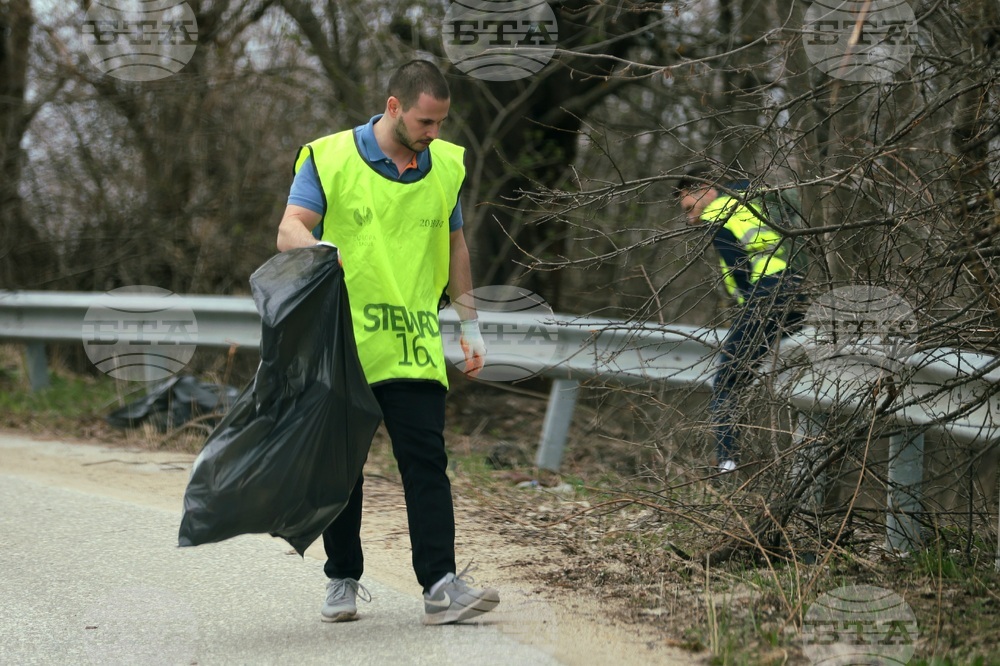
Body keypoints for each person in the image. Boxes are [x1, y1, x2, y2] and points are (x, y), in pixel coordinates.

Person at [276, 59, 499, 625]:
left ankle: (440, 585)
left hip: (413, 338)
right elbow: (289, 229)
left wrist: (469, 325)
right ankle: (342, 578)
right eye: (425, 122)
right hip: (343, 341)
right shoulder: (327, 157)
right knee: (342, 467)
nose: (434, 134)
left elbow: (456, 248)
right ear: (394, 107)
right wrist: (318, 248)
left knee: (426, 460)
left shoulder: (445, 165)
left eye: (441, 123)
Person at [676, 169, 807, 475]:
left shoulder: (720, 211)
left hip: (766, 295)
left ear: (706, 189)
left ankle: (727, 464)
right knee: (789, 374)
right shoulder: (754, 199)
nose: (689, 218)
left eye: (688, 207)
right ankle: (790, 467)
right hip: (797, 292)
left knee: (727, 382)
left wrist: (748, 304)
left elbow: (738, 267)